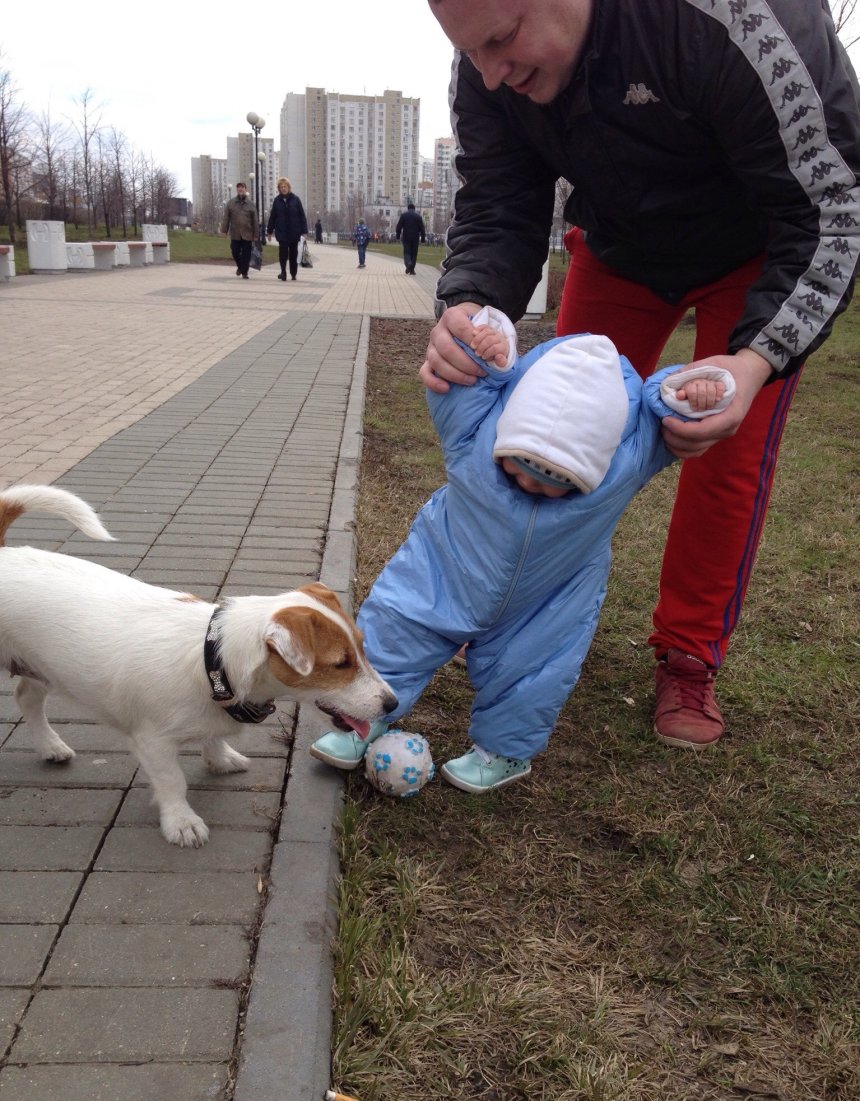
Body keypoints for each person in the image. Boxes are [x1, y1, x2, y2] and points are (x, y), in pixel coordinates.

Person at [421, 0, 860, 749]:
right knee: (542, 434)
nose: (491, 73)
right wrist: (472, 306)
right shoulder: (486, 66)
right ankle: (507, 607)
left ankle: (688, 652)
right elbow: (498, 202)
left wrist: (754, 361)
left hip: (753, 252)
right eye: (473, 53)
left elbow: (833, 209)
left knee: (720, 450)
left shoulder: (743, 18)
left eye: (501, 39)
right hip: (620, 247)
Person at [311, 307, 731, 792]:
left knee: (534, 673)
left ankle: (505, 752)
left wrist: (687, 393)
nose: (531, 483)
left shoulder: (627, 463)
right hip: (444, 571)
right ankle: (364, 719)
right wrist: (488, 347)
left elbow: (668, 416)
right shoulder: (474, 431)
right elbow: (464, 379)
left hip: (548, 599)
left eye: (559, 482)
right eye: (519, 465)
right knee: (397, 631)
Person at [266, 177, 308, 281]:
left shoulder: (296, 199)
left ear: (289, 187)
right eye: (281, 187)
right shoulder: (277, 201)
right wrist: (269, 232)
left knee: (293, 254)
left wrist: (304, 231)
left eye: (285, 186)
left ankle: (293, 273)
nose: (283, 188)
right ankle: (283, 272)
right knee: (283, 254)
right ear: (279, 189)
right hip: (282, 232)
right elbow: (273, 217)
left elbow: (302, 216)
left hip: (294, 232)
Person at [221, 182, 258, 280]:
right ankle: (240, 267)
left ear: (245, 189)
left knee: (246, 254)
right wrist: (224, 230)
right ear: (237, 190)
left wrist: (256, 234)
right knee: (234, 251)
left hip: (247, 233)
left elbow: (255, 220)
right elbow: (226, 218)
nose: (240, 189)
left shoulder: (251, 204)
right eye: (238, 188)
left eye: (242, 187)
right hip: (235, 233)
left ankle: (244, 272)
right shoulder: (231, 203)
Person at [395, 201, 426, 275]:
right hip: (415, 237)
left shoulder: (403, 215)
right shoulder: (418, 217)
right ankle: (412, 269)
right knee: (414, 254)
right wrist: (423, 239)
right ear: (414, 209)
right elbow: (422, 228)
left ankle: (408, 264)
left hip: (406, 237)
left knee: (407, 252)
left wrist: (398, 236)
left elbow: (399, 226)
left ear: (408, 208)